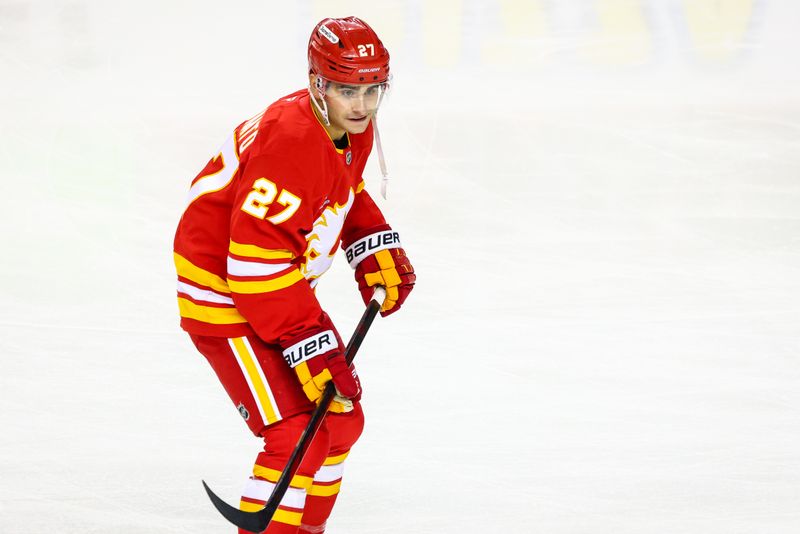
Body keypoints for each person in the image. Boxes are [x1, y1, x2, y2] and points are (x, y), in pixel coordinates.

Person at [172, 16, 415, 534]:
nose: (363, 105)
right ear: (317, 82)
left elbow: (336, 188)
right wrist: (314, 344)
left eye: (374, 90)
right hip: (224, 294)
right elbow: (254, 265)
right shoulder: (291, 142)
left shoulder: (344, 126)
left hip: (274, 286)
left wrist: (370, 242)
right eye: (349, 89)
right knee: (296, 433)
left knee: (342, 422)